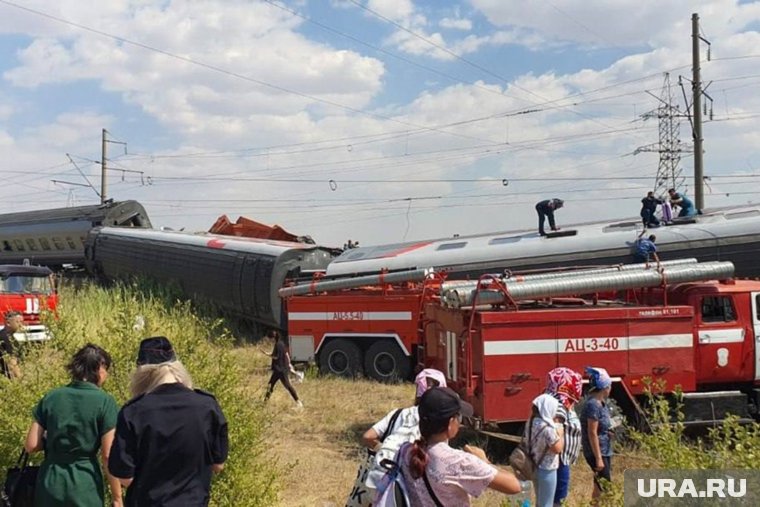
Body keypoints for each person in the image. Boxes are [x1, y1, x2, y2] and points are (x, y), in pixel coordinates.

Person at [108, 337, 228, 507]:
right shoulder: (207, 406)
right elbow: (218, 465)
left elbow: (125, 476)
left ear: (142, 372)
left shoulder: (133, 412)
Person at [25, 344, 122, 507]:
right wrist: (117, 497)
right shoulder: (105, 402)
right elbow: (107, 455)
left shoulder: (52, 397)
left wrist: (50, 442)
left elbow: (31, 445)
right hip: (85, 484)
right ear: (100, 368)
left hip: (50, 481)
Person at [399, 386, 521, 505]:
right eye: (459, 417)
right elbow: (514, 486)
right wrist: (484, 461)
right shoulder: (458, 462)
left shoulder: (406, 451)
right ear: (450, 423)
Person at [357, 368, 447, 504]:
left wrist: (384, 448)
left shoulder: (398, 413)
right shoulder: (437, 421)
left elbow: (368, 437)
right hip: (407, 484)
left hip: (378, 478)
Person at [545, 367, 583, 507]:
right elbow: (554, 436)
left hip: (562, 459)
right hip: (557, 461)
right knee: (555, 501)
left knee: (556, 499)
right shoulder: (558, 406)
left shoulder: (562, 403)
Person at [581, 367, 614, 505]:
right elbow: (591, 432)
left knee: (598, 485)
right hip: (597, 452)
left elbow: (600, 427)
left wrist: (609, 432)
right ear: (605, 387)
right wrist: (598, 458)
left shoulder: (602, 404)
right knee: (607, 486)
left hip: (605, 448)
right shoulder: (593, 405)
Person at [527, 394, 564, 507]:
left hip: (533, 465)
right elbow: (557, 449)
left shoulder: (531, 423)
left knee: (539, 501)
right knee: (546, 503)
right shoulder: (548, 429)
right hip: (547, 469)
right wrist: (560, 434)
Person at [263, 330, 302, 407]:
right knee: (270, 385)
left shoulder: (277, 345)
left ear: (273, 338)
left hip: (280, 370)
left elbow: (276, 356)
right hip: (280, 369)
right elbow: (286, 355)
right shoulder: (282, 344)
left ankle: (298, 402)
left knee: (287, 385)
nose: (269, 341)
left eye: (270, 339)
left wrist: (268, 355)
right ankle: (265, 402)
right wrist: (289, 364)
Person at [0, 310, 23, 379]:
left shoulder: (5, 335)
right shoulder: (6, 338)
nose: (21, 325)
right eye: (17, 322)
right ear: (8, 323)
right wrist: (21, 380)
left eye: (21, 322)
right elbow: (12, 363)